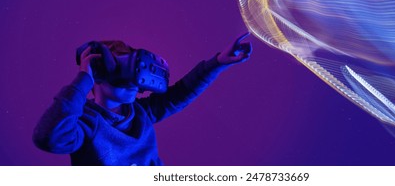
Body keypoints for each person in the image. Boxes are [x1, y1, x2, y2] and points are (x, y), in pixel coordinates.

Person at [33, 33, 252, 165]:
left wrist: (217, 63)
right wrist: (83, 79)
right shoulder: (86, 124)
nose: (132, 84)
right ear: (98, 74)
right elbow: (48, 138)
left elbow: (181, 93)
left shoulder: (140, 113)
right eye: (120, 71)